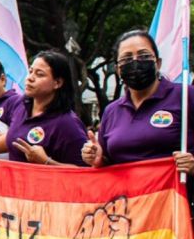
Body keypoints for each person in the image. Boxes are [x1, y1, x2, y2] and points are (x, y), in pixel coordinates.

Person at [83, 30, 194, 182]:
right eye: (126, 59)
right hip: (126, 196)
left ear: (158, 63)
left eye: (144, 56)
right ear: (118, 69)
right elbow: (108, 163)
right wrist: (97, 159)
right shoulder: (111, 111)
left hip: (175, 195)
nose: (135, 62)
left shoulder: (186, 96)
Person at [0, 51, 88, 165]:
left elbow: (84, 173)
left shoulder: (68, 123)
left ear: (57, 83)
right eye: (30, 71)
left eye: (39, 74)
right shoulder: (22, 108)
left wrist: (46, 162)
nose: (30, 78)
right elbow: (13, 139)